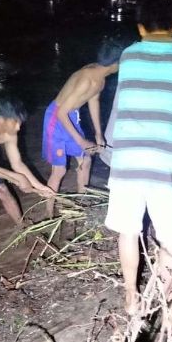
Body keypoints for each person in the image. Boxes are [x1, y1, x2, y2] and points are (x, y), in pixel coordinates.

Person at [103, 0, 172, 315]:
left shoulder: (129, 55)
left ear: (141, 27)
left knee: (128, 231)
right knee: (171, 235)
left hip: (127, 157)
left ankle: (131, 297)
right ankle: (167, 301)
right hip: (165, 159)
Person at [41, 40, 123, 216]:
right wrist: (81, 140)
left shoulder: (99, 77)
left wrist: (98, 134)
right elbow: (61, 112)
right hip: (56, 118)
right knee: (59, 170)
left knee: (86, 161)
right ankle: (48, 214)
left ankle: (81, 205)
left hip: (71, 115)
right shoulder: (88, 79)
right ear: (116, 64)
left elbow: (93, 101)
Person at [0, 98, 55, 246]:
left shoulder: (10, 132)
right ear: (1, 119)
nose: (19, 127)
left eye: (20, 122)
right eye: (15, 122)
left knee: (3, 191)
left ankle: (21, 225)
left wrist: (39, 186)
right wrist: (17, 178)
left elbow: (17, 163)